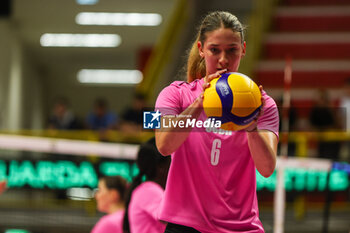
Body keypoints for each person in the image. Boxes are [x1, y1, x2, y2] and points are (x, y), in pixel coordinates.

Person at [155, 11, 279, 232]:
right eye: (215, 50)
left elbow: (267, 168)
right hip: (186, 225)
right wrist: (199, 104)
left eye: (232, 50)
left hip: (242, 227)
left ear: (243, 49)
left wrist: (251, 125)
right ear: (201, 49)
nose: (223, 59)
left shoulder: (263, 104)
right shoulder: (174, 95)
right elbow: (164, 145)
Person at [123, 138, 171, 233]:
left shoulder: (146, 189)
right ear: (161, 166)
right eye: (172, 161)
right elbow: (170, 218)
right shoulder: (149, 191)